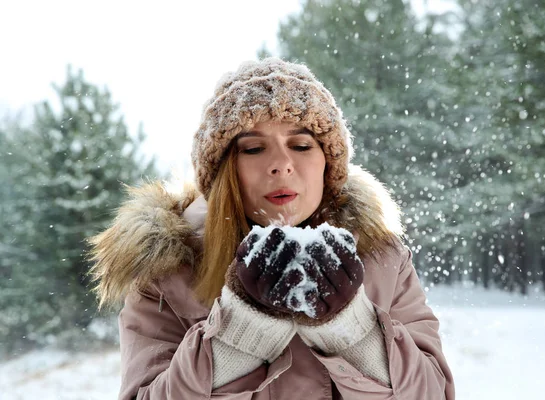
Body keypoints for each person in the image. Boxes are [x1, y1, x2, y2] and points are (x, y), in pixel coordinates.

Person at [89, 57, 455, 399]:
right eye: (252, 149)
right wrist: (240, 334)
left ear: (327, 164)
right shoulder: (165, 275)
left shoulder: (382, 260)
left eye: (300, 144)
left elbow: (432, 392)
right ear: (223, 173)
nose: (281, 164)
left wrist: (354, 332)